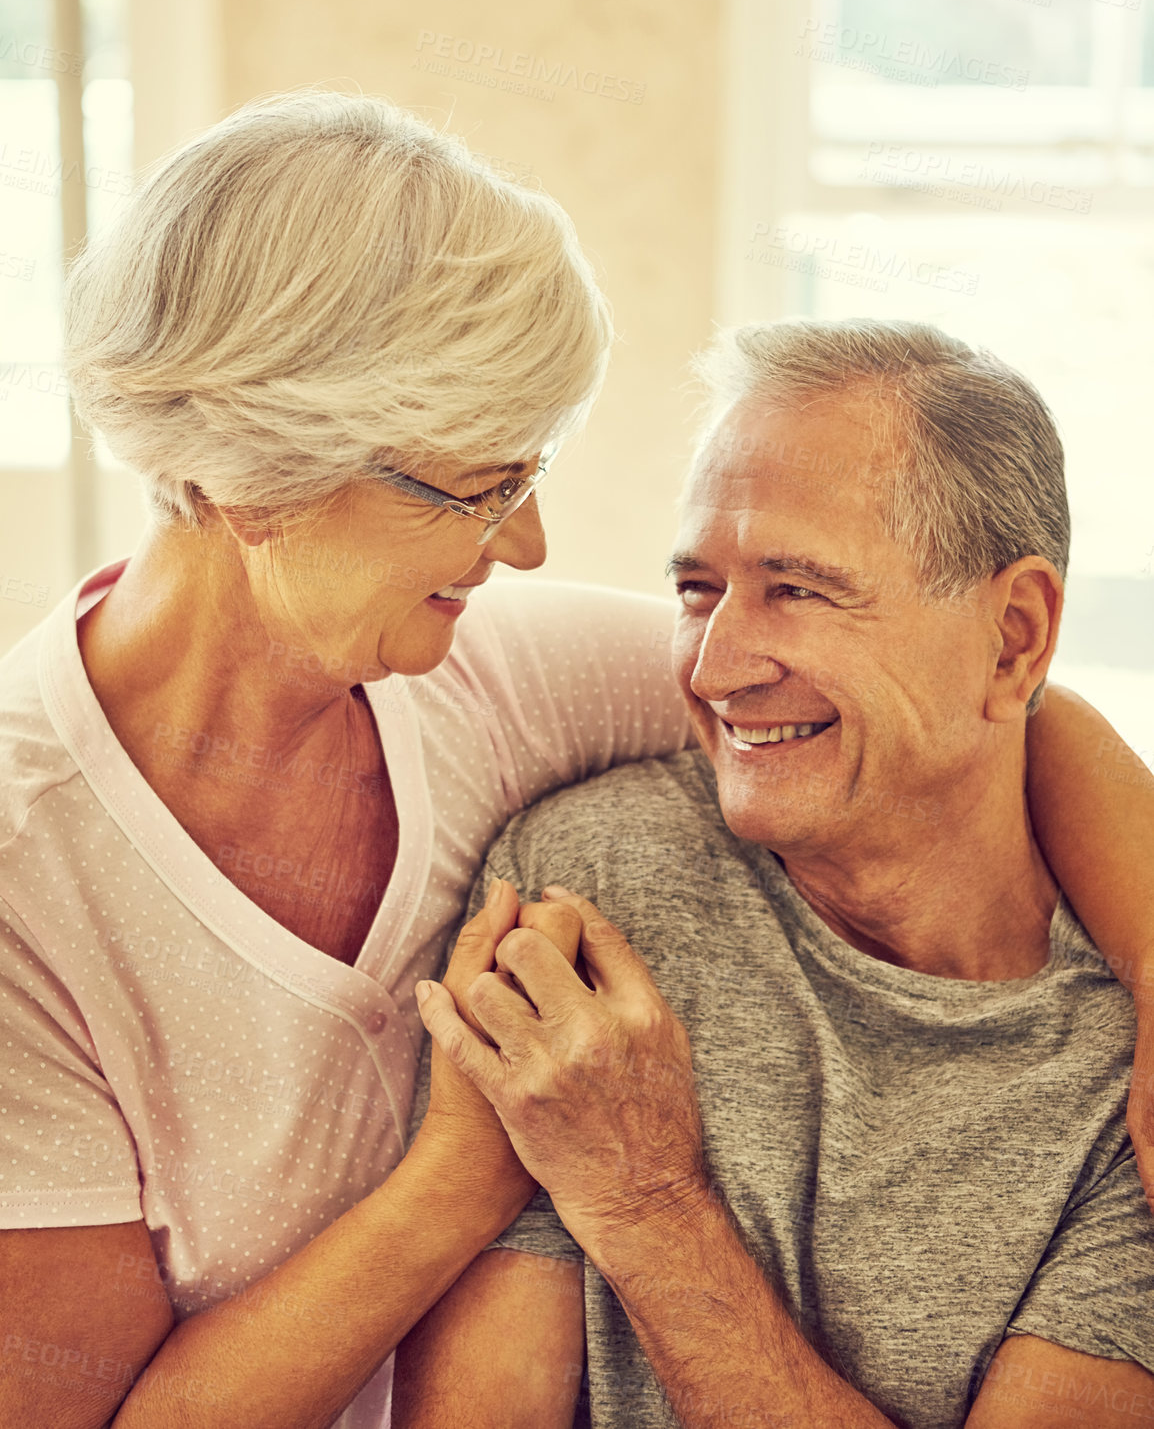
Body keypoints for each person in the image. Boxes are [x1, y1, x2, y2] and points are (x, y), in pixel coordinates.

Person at [0, 92, 1145, 1429]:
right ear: (259, 476)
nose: (530, 543)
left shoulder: (502, 677)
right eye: (477, 487)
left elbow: (954, 713)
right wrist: (473, 1172)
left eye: (529, 472)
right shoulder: (29, 879)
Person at [397, 320, 1154, 1429]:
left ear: (1011, 640)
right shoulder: (588, 881)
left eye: (796, 589)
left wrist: (647, 1202)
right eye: (698, 589)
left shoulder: (1119, 1084)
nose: (714, 669)